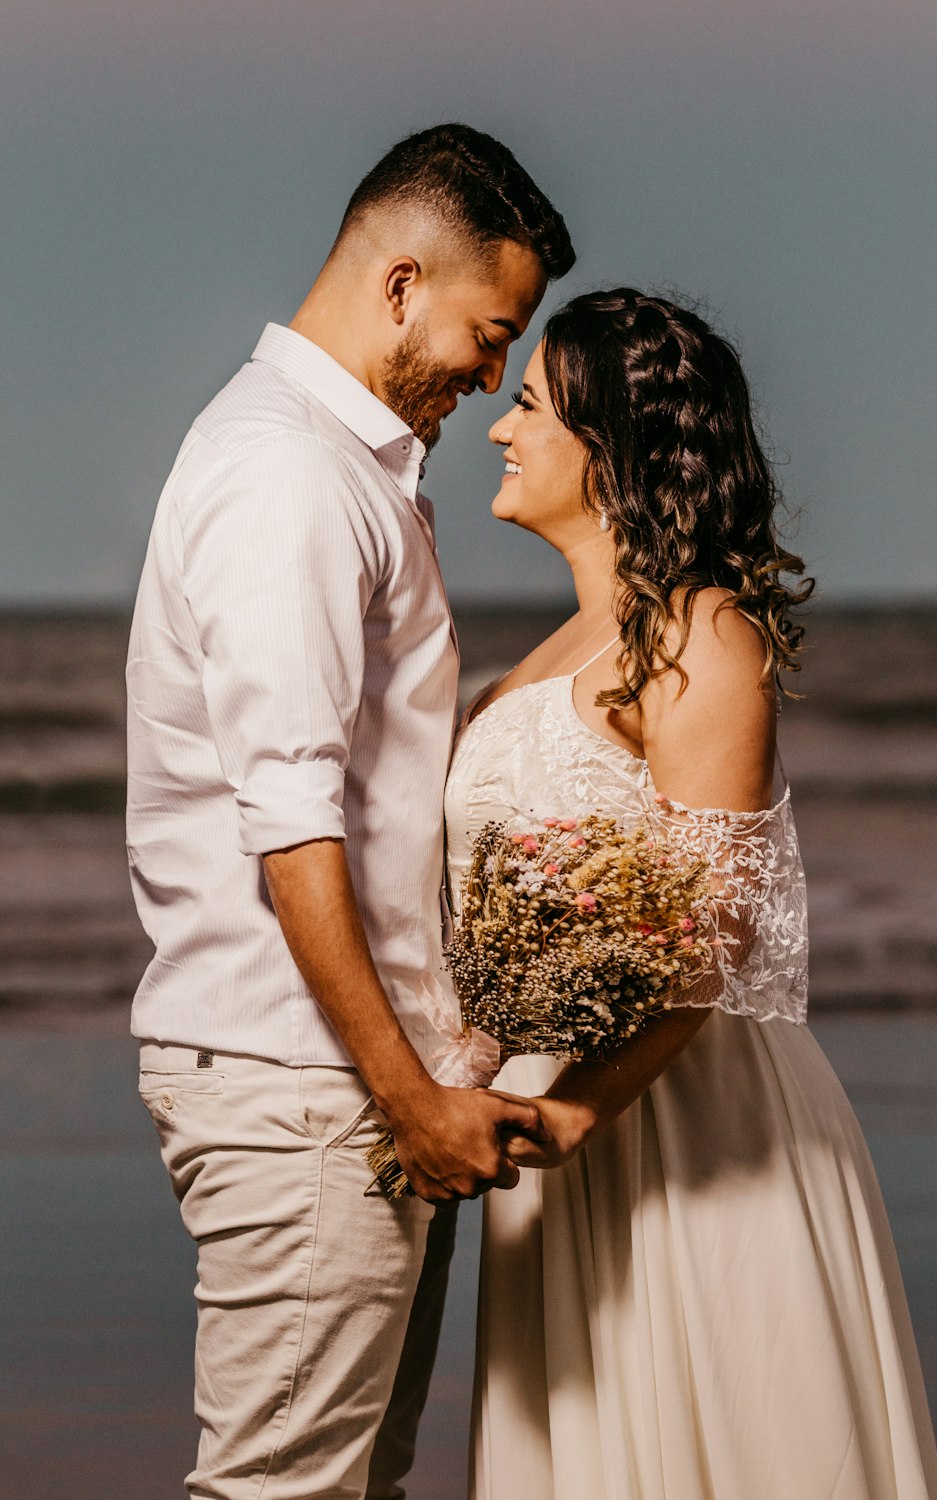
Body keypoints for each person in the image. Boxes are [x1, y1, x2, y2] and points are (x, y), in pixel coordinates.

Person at [126, 123, 574, 1500]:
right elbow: (291, 823)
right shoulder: (294, 476)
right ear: (397, 284)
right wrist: (405, 1096)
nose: (493, 378)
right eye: (487, 333)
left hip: (332, 1081)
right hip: (312, 1092)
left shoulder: (338, 467)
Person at [444, 289, 937, 1499]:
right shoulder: (548, 654)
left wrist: (586, 1106)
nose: (497, 432)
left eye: (525, 406)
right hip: (563, 1126)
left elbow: (721, 928)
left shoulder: (700, 633)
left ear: (606, 445)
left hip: (683, 1124)